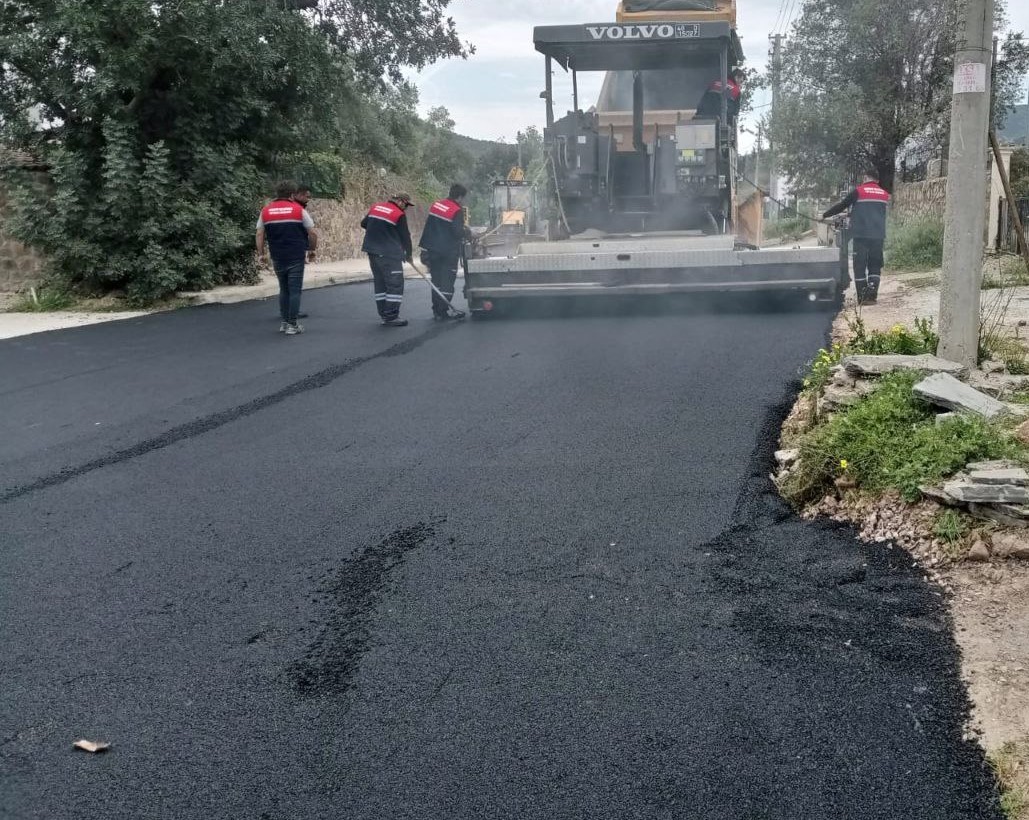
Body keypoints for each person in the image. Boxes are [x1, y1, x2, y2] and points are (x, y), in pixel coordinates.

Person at [256, 180, 318, 335]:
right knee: (295, 290)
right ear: (292, 194)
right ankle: (293, 324)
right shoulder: (298, 210)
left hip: (277, 256)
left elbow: (259, 234)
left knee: (284, 289)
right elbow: (313, 233)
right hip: (296, 255)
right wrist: (311, 250)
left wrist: (261, 254)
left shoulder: (266, 211)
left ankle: (284, 323)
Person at [823, 172, 891, 304]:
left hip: (861, 235)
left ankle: (862, 296)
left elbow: (842, 205)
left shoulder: (859, 191)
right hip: (878, 235)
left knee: (859, 265)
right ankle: (872, 296)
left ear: (865, 178)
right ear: (877, 180)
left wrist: (825, 215)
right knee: (875, 264)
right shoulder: (884, 194)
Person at [419, 183, 472, 320]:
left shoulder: (436, 205)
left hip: (431, 250)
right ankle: (443, 311)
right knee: (447, 282)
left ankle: (436, 310)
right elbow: (457, 232)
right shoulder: (456, 210)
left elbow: (430, 226)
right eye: (463, 198)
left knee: (436, 281)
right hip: (447, 252)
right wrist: (467, 232)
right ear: (459, 197)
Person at [360, 193, 414, 327]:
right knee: (395, 284)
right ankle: (391, 316)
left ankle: (384, 314)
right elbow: (405, 236)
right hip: (389, 254)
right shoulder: (398, 214)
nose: (405, 208)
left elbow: (364, 223)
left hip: (372, 252)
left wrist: (379, 230)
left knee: (380, 284)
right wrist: (409, 254)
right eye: (406, 205)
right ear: (401, 201)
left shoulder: (376, 207)